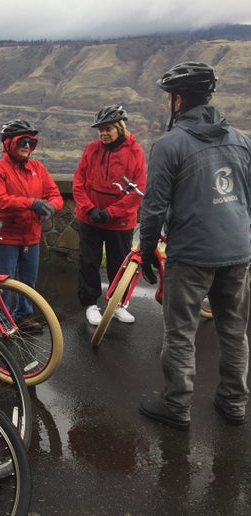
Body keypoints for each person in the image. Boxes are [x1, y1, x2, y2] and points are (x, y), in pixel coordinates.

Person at [138, 61, 251, 430]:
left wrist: (148, 251)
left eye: (171, 96)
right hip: (237, 250)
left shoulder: (170, 145)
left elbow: (153, 207)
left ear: (179, 99)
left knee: (181, 332)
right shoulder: (242, 139)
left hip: (192, 254)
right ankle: (234, 403)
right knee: (234, 331)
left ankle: (177, 405)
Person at [72, 104, 146, 326]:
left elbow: (137, 189)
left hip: (119, 222)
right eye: (101, 129)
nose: (104, 133)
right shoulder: (91, 150)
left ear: (120, 129)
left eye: (108, 129)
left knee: (119, 264)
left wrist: (111, 213)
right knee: (89, 261)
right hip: (90, 219)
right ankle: (90, 304)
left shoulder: (135, 152)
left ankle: (118, 304)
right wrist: (90, 209)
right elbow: (79, 183)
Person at [0, 120, 63, 326]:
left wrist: (52, 207)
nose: (27, 145)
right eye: (22, 141)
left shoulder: (38, 168)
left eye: (30, 141)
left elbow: (54, 194)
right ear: (9, 144)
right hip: (6, 235)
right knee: (4, 281)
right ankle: (3, 321)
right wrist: (32, 203)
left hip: (31, 234)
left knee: (28, 281)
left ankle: (23, 316)